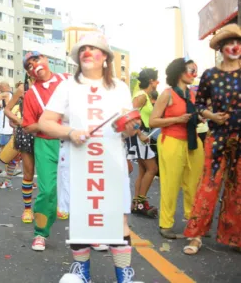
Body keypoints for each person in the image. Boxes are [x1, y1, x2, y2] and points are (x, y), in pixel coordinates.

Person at [39, 33, 141, 283]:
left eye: (93, 48)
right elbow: (45, 122)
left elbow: (130, 125)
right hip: (77, 162)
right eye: (83, 49)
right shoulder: (67, 86)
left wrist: (130, 126)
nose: (87, 52)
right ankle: (82, 273)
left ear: (105, 57)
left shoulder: (120, 87)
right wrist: (70, 132)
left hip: (112, 163)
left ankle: (124, 275)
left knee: (118, 218)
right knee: (81, 218)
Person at [183, 23, 241, 254]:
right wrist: (211, 116)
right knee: (209, 184)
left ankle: (235, 238)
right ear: (220, 48)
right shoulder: (210, 75)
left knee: (238, 188)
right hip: (217, 137)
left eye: (237, 42)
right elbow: (198, 105)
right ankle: (196, 236)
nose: (234, 47)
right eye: (229, 43)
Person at [149, 58, 205, 240]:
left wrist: (200, 118)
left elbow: (196, 114)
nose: (194, 74)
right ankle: (166, 224)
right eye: (191, 70)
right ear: (180, 72)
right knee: (170, 184)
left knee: (194, 184)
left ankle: (193, 222)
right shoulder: (167, 94)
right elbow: (152, 121)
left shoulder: (193, 94)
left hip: (193, 142)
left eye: (195, 70)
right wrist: (177, 119)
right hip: (172, 141)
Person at [21, 51, 68, 251]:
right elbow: (27, 126)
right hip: (46, 143)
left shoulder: (68, 81)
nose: (35, 65)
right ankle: (40, 233)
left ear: (46, 60)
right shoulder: (31, 94)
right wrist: (45, 125)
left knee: (81, 187)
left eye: (37, 60)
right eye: (30, 65)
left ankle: (90, 233)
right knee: (47, 189)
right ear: (30, 73)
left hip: (72, 140)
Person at [126, 68, 159, 218]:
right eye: (157, 80)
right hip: (140, 136)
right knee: (152, 169)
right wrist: (140, 134)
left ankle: (136, 203)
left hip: (141, 136)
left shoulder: (143, 95)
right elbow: (129, 115)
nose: (158, 82)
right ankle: (141, 203)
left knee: (143, 171)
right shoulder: (142, 96)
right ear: (151, 81)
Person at [3, 80, 36, 223]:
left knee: (50, 174)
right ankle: (27, 209)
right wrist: (19, 120)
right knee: (28, 173)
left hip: (45, 133)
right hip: (27, 134)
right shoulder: (23, 89)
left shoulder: (50, 86)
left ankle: (56, 205)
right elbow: (7, 109)